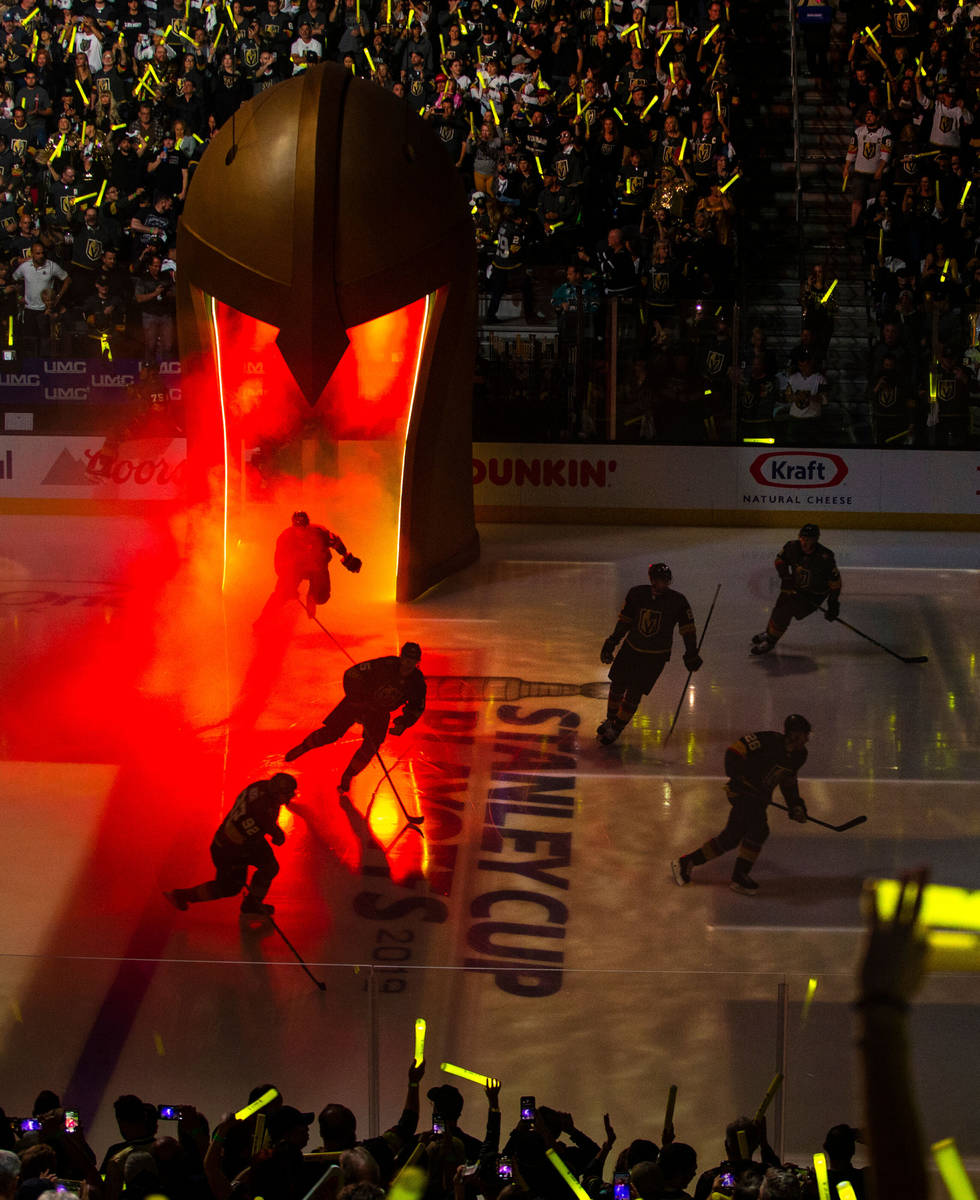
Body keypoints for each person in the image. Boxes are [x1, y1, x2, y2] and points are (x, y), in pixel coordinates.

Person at [671, 715, 811, 896]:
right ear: (793, 734)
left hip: (760, 798)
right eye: (804, 735)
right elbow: (734, 752)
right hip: (742, 793)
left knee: (731, 837)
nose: (807, 739)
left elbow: (788, 781)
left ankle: (687, 862)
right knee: (759, 830)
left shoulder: (799, 755)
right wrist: (738, 778)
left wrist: (795, 805)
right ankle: (739, 876)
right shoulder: (767, 741)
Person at [284, 643, 426, 795]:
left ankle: (349, 775)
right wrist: (357, 701)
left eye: (412, 661)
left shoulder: (417, 682)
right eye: (406, 659)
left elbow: (417, 706)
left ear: (417, 662)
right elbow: (352, 673)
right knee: (332, 733)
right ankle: (304, 747)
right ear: (401, 657)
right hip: (358, 702)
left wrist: (403, 723)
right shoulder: (384, 665)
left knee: (372, 746)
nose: (408, 664)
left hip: (380, 712)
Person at [164, 772, 297, 916]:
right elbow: (270, 828)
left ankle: (252, 904)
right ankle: (181, 896)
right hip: (230, 849)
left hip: (241, 840)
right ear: (277, 793)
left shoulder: (260, 787)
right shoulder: (262, 811)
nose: (289, 797)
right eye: (287, 794)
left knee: (269, 867)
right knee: (229, 888)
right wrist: (278, 835)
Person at [597, 563, 702, 746]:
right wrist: (612, 641)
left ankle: (617, 728)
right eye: (659, 580)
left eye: (665, 581)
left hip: (655, 656)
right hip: (631, 649)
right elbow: (625, 621)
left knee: (634, 694)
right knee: (617, 686)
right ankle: (610, 720)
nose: (662, 584)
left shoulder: (678, 602)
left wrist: (691, 652)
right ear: (652, 580)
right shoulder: (636, 594)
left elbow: (688, 629)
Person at [256, 510, 362, 625]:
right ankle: (263, 620)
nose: (301, 532)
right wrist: (288, 584)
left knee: (322, 597)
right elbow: (279, 563)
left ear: (308, 525)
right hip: (296, 568)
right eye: (298, 528)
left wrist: (347, 557)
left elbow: (336, 542)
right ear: (293, 527)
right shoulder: (285, 538)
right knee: (282, 593)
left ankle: (312, 596)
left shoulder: (319, 532)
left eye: (304, 528)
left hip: (317, 567)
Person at [750, 524, 841, 655]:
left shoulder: (825, 558)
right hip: (794, 587)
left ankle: (771, 640)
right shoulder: (792, 546)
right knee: (779, 609)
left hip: (813, 595)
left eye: (809, 539)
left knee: (785, 611)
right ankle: (770, 632)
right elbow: (780, 560)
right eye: (803, 538)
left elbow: (835, 583)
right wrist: (786, 577)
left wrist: (833, 603)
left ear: (816, 540)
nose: (805, 542)